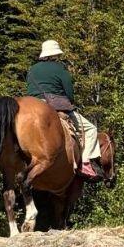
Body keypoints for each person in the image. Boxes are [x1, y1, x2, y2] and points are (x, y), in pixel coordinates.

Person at [26, 40, 104, 179]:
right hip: (55, 106)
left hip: (33, 107)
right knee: (91, 129)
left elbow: (29, 90)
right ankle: (86, 163)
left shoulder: (32, 70)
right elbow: (69, 91)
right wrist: (70, 102)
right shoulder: (60, 68)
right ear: (56, 54)